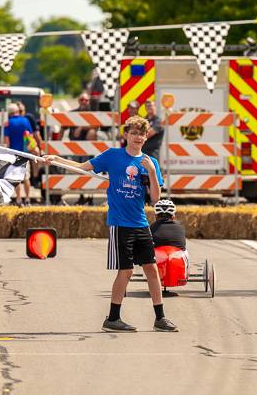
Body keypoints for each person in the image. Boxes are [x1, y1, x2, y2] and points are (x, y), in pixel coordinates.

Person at [43, 115, 178, 333]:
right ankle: (113, 318)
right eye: (133, 133)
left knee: (152, 270)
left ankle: (160, 317)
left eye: (141, 134)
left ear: (145, 137)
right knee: (125, 271)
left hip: (140, 222)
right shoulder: (113, 156)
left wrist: (152, 173)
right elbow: (82, 166)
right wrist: (56, 159)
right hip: (120, 223)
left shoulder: (149, 163)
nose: (137, 137)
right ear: (125, 135)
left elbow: (155, 199)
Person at [69, 93, 97, 205]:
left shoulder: (92, 113)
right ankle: (81, 196)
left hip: (89, 149)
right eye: (82, 100)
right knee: (78, 172)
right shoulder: (72, 113)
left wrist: (81, 127)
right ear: (78, 101)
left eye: (86, 100)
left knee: (90, 172)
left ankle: (90, 196)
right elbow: (62, 127)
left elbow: (96, 126)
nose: (84, 102)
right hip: (75, 147)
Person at [3, 103, 33, 207]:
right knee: (26, 177)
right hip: (25, 153)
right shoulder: (25, 121)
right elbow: (31, 137)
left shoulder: (8, 123)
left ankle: (19, 199)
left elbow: (6, 141)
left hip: (13, 154)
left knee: (17, 178)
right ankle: (28, 199)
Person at [17, 101, 44, 204]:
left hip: (29, 144)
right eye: (17, 111)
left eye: (21, 111)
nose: (20, 113)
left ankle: (35, 178)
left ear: (24, 110)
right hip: (18, 147)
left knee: (36, 153)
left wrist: (41, 147)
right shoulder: (13, 120)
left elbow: (36, 134)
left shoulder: (29, 118)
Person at [142, 99, 164, 163]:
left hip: (153, 153)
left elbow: (148, 134)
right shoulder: (144, 120)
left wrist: (139, 135)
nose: (149, 107)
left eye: (151, 105)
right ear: (145, 108)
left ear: (155, 107)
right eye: (147, 106)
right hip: (142, 151)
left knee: (153, 172)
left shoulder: (158, 121)